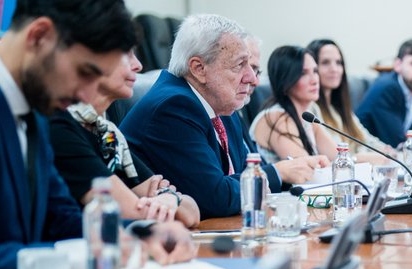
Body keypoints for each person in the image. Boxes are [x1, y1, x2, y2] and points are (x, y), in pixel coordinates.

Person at [0, 0, 193, 269]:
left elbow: (60, 217)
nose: (86, 94)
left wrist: (137, 234)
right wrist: (75, 257)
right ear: (38, 36)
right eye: (85, 72)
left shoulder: (34, 110)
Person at [122, 14, 327, 219]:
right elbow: (216, 197)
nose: (251, 78)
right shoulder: (173, 107)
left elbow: (244, 174)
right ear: (199, 68)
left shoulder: (221, 104)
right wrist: (278, 173)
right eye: (240, 65)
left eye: (251, 66)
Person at [50, 48, 201, 227]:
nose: (138, 65)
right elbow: (138, 214)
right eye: (126, 55)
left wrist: (169, 198)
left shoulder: (107, 135)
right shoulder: (61, 127)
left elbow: (192, 213)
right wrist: (170, 201)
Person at [307, 37, 398, 159]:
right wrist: (366, 158)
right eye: (325, 62)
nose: (334, 69)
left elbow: (367, 139)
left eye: (339, 63)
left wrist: (385, 150)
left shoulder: (339, 108)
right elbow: (334, 156)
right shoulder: (310, 110)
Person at [251, 45, 338, 164]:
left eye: (315, 71)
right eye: (303, 73)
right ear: (285, 79)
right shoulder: (276, 117)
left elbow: (338, 157)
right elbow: (307, 170)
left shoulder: (308, 115)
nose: (314, 80)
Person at [355, 38, 412, 148]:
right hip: (365, 155)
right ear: (398, 65)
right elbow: (396, 140)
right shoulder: (387, 88)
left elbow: (411, 135)